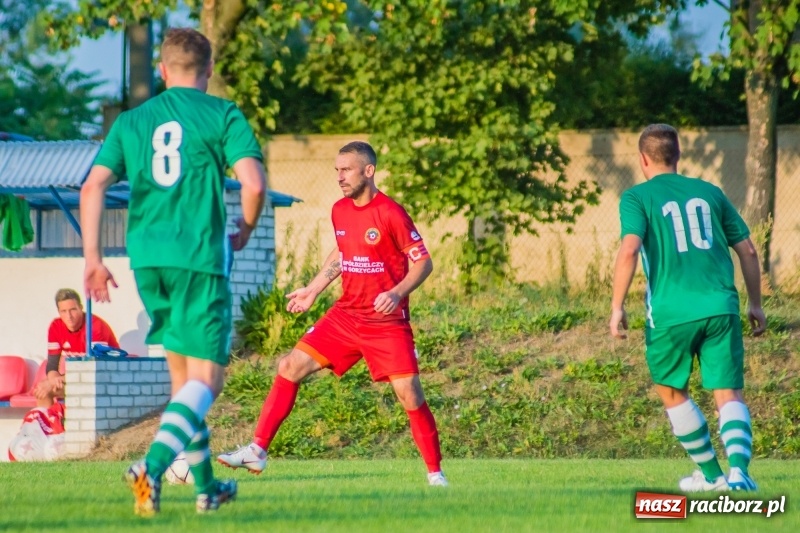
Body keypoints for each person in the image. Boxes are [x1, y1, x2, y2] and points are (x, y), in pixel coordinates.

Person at [80, 28, 267, 516]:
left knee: (184, 383)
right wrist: (245, 229)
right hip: (199, 257)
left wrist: (93, 260)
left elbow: (92, 188)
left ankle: (206, 489)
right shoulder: (221, 113)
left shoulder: (131, 121)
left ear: (163, 71)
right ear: (207, 72)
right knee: (210, 380)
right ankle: (151, 466)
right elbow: (252, 182)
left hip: (147, 260)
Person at [218, 141, 448, 487]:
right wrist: (312, 290)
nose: (339, 177)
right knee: (289, 366)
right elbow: (343, 253)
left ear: (368, 171)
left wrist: (397, 292)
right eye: (337, 170)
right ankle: (257, 450)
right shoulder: (340, 209)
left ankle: (435, 474)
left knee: (410, 394)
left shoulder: (391, 213)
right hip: (345, 317)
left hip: (385, 323)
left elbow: (423, 262)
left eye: (346, 170)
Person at [610, 124, 766, 493]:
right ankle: (740, 475)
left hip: (670, 312)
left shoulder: (636, 197)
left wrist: (616, 306)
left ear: (643, 159)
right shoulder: (710, 192)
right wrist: (755, 303)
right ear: (678, 156)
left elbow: (629, 249)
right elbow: (748, 250)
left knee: (670, 390)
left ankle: (712, 476)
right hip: (720, 307)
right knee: (728, 393)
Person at [36, 288, 120, 408]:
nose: (69, 316)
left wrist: (58, 380)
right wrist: (52, 380)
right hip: (81, 378)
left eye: (73, 310)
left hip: (106, 380)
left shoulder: (94, 326)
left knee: (48, 387)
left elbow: (93, 368)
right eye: (63, 311)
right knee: (42, 390)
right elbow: (52, 365)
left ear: (81, 308)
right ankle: (48, 425)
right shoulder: (55, 327)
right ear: (58, 312)